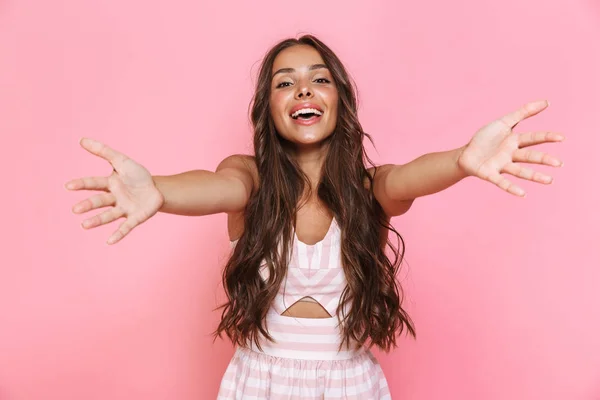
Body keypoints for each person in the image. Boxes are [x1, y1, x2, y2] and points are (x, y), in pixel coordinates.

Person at [65, 35, 564, 399]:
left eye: (319, 80)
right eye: (286, 83)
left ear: (340, 100)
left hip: (349, 382)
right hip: (259, 382)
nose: (304, 91)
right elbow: (216, 187)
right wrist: (157, 190)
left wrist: (461, 160)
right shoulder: (250, 178)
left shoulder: (370, 189)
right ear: (268, 107)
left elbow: (410, 177)